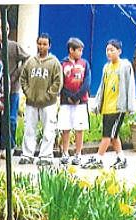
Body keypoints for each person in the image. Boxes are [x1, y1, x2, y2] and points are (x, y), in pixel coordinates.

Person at [82, 39, 135, 170]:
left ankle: (98, 158)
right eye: (107, 50)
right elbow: (102, 87)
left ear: (119, 51)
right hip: (107, 107)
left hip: (118, 107)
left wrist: (130, 106)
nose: (109, 52)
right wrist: (97, 104)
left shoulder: (125, 66)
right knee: (113, 136)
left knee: (107, 135)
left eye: (112, 50)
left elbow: (130, 86)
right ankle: (121, 158)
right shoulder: (107, 67)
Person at [19, 33, 62, 166]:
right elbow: (23, 79)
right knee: (29, 129)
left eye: (44, 44)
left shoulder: (54, 62)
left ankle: (45, 155)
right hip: (31, 102)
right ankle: (27, 154)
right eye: (40, 43)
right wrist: (29, 93)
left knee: (48, 129)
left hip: (48, 103)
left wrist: (48, 95)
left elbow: (58, 82)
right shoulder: (30, 61)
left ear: (49, 45)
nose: (41, 46)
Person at [0, 19, 29, 156]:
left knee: (11, 119)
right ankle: (1, 146)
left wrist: (16, 75)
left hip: (12, 88)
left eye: (3, 29)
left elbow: (26, 59)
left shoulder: (14, 46)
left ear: (8, 31)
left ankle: (10, 145)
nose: (0, 33)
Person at [59, 37, 91, 166]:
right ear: (71, 50)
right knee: (65, 128)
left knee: (79, 128)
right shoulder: (62, 64)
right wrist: (68, 97)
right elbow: (60, 82)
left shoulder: (85, 64)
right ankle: (65, 152)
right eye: (79, 50)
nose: (81, 53)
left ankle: (78, 153)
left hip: (81, 102)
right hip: (66, 102)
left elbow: (87, 82)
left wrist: (77, 97)